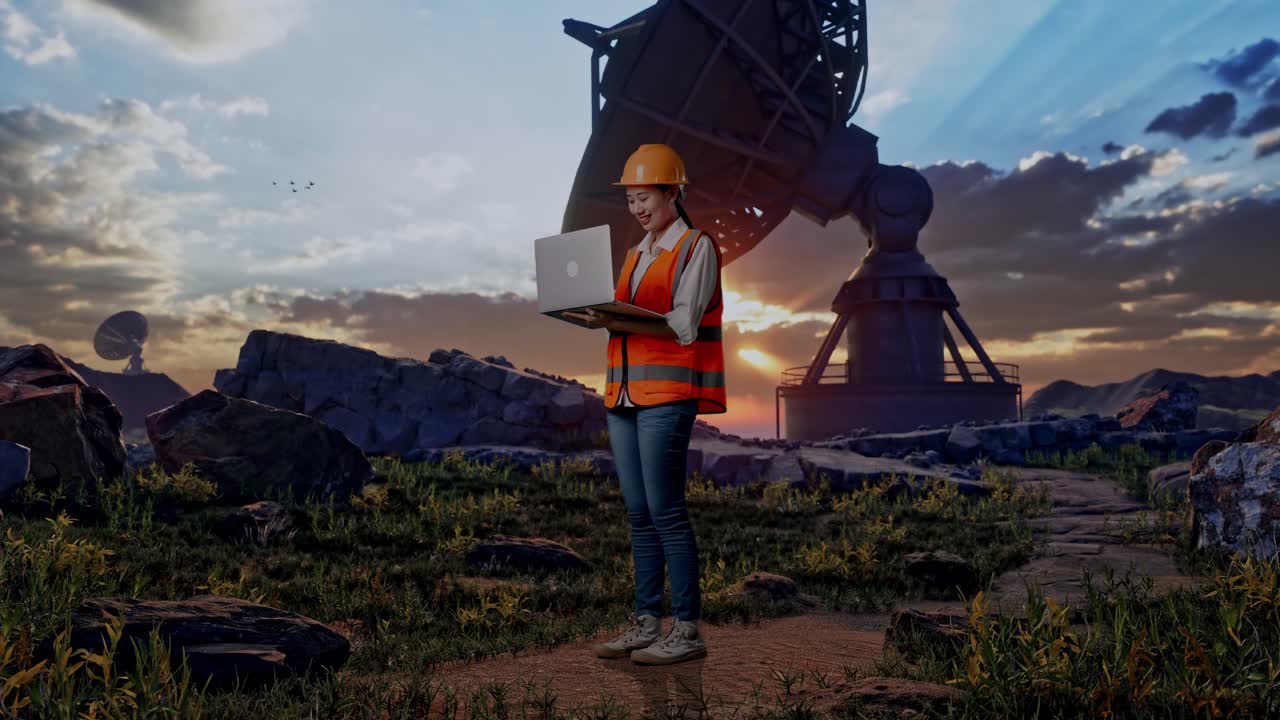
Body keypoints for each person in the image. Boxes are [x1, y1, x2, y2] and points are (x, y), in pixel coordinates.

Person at [562, 143, 726, 666]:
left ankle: (687, 630)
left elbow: (682, 324)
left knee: (667, 512)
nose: (637, 208)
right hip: (624, 394)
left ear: (671, 193)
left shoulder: (697, 247)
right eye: (631, 199)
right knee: (638, 513)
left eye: (645, 197)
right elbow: (630, 319)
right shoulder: (636, 254)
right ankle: (646, 621)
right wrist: (595, 317)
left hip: (667, 395)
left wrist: (615, 318)